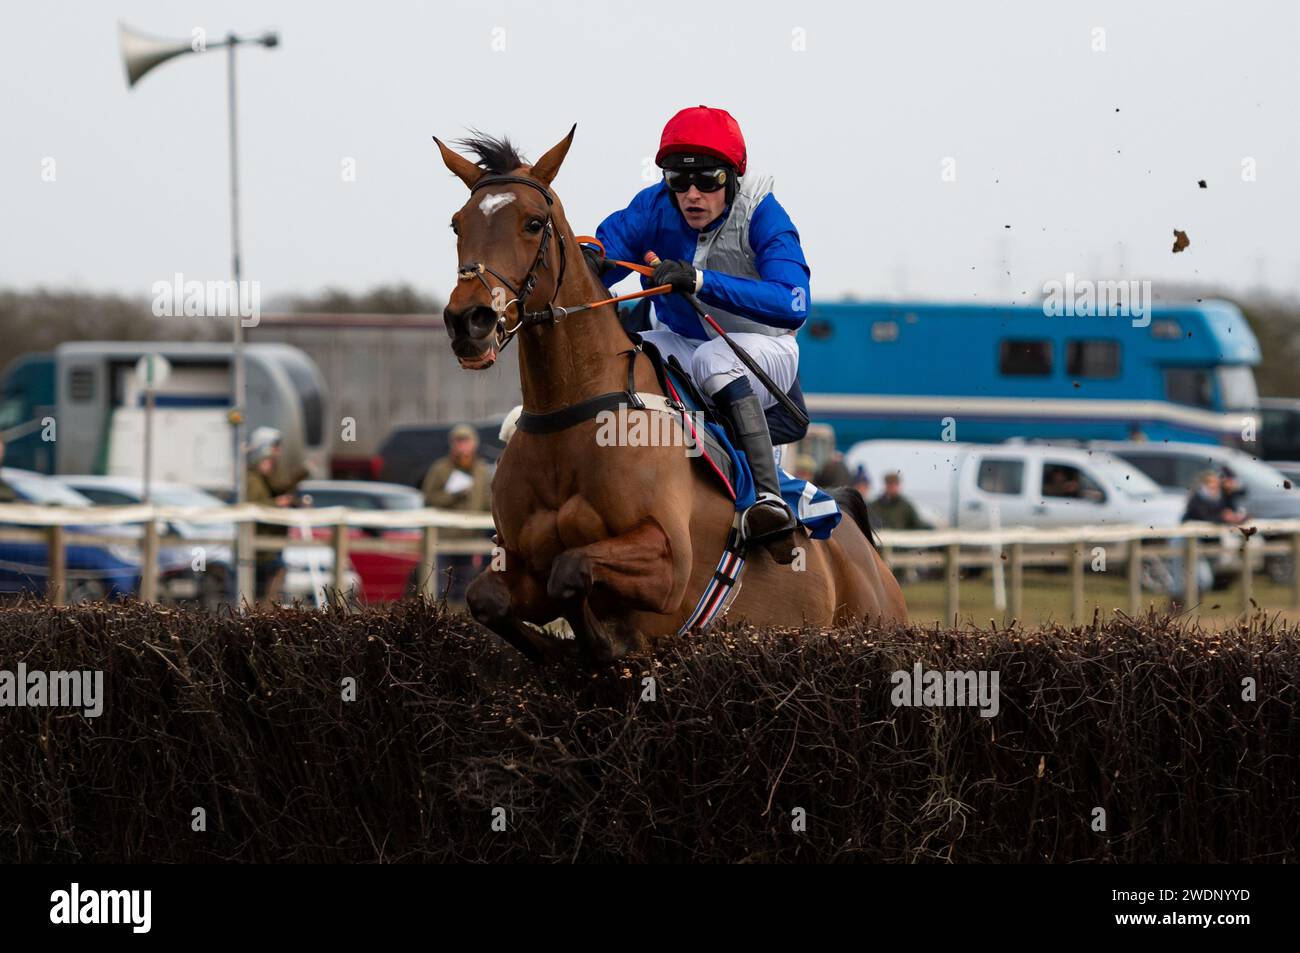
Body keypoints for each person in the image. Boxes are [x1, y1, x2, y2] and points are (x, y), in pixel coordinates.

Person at [589, 105, 810, 562]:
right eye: (678, 180)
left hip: (763, 352)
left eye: (707, 181)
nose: (691, 194)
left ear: (732, 177)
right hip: (681, 341)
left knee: (714, 360)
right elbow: (600, 258)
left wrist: (701, 280)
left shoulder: (763, 214)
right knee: (628, 357)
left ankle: (768, 499)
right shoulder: (653, 205)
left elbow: (794, 303)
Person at [421, 424, 492, 603]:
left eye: (466, 441)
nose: (462, 446)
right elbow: (429, 499)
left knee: (466, 585)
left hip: (471, 539)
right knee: (441, 587)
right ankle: (438, 622)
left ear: (474, 444)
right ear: (452, 444)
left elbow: (487, 501)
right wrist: (452, 496)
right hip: (444, 538)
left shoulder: (482, 470)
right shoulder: (440, 469)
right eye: (459, 441)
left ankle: (462, 622)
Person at [245, 427, 298, 605]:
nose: (273, 461)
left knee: (268, 598)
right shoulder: (253, 479)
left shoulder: (265, 478)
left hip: (269, 550)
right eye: (269, 458)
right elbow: (253, 506)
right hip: (262, 552)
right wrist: (277, 504)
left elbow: (281, 486)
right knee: (262, 600)